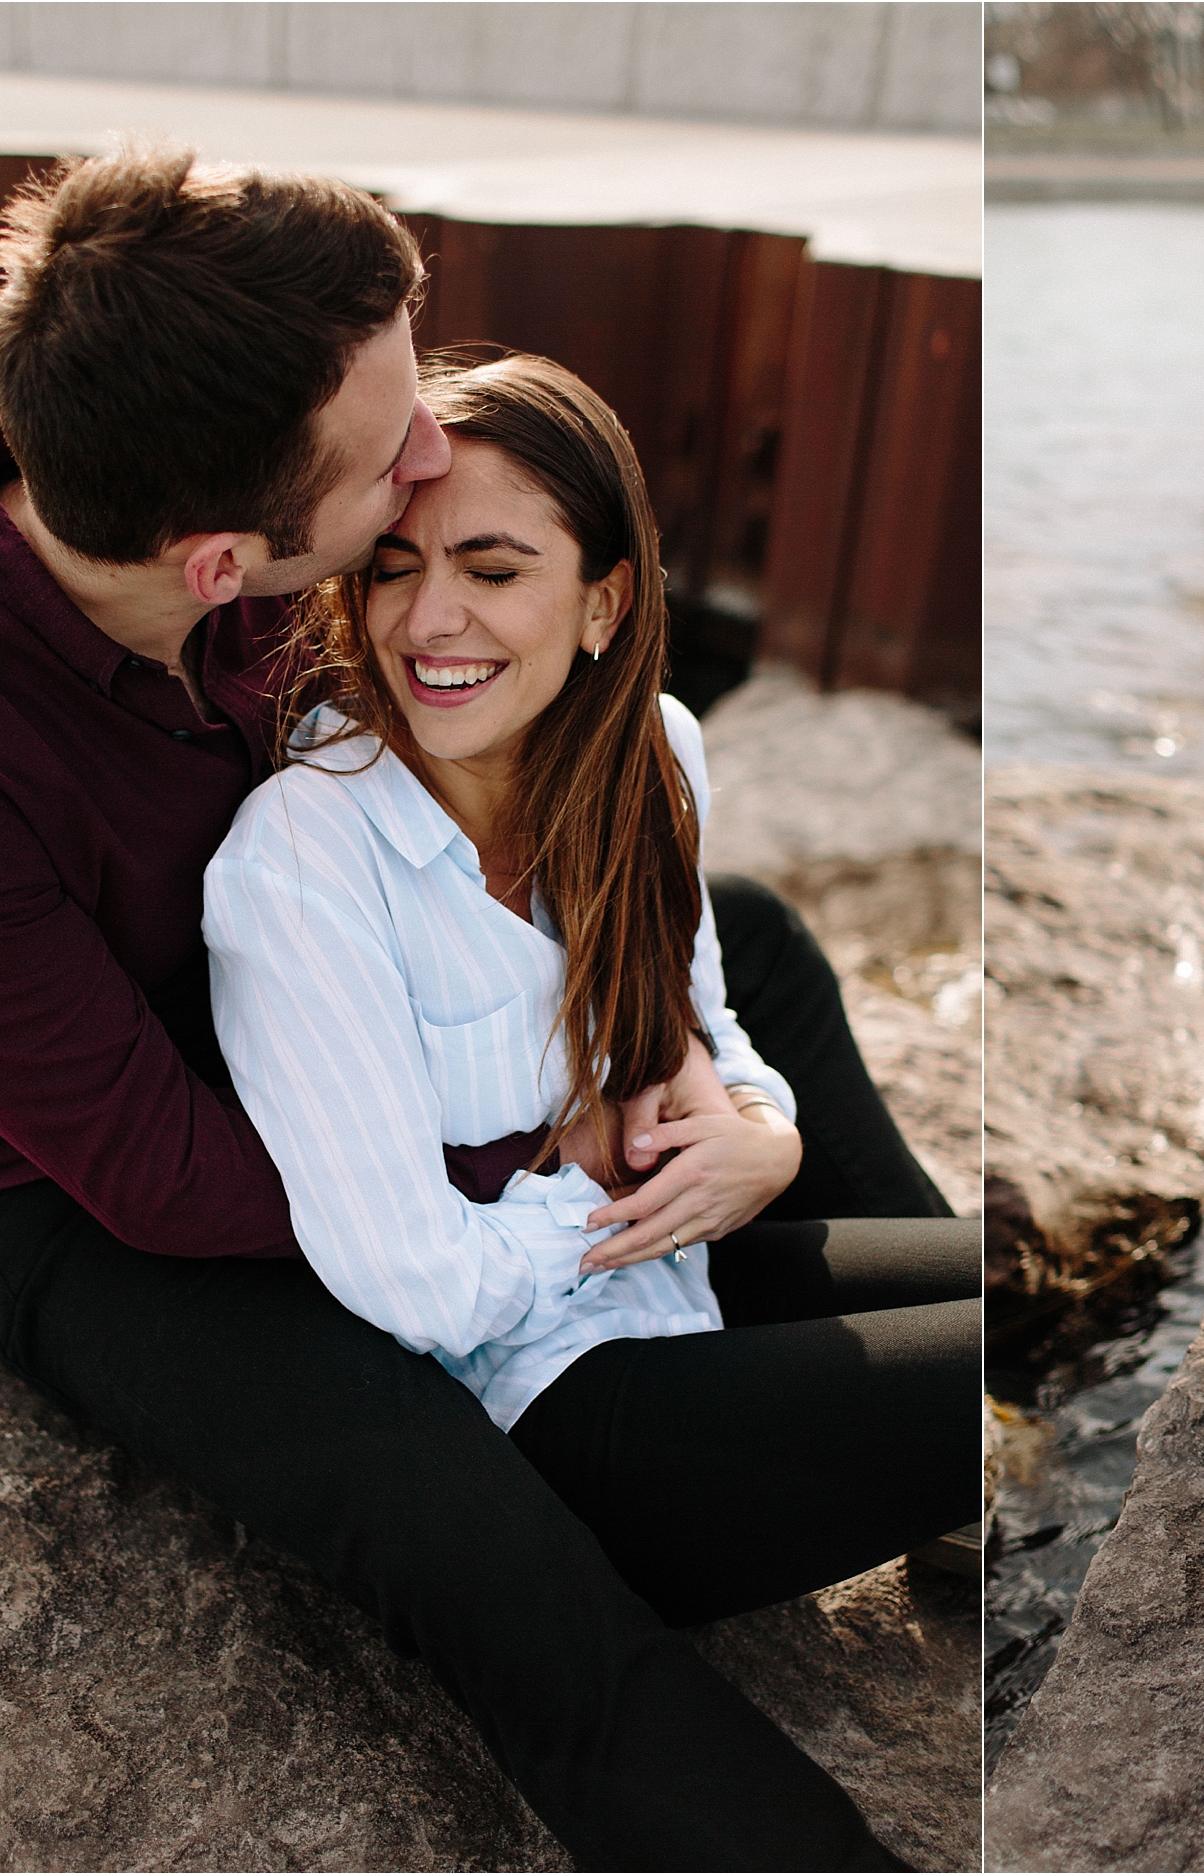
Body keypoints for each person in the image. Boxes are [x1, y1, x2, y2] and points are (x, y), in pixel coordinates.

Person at [0, 146, 967, 1871]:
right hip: (92, 1194)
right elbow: (164, 1175)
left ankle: (868, 1394)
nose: (431, 451)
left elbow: (503, 765)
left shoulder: (252, 481)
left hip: (380, 1017)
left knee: (753, 933)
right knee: (460, 1531)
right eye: (391, 458)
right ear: (228, 566)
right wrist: (530, 1144)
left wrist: (714, 1096)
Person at [201, 343, 974, 1707]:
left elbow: (704, 1016)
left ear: (604, 601)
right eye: (393, 566)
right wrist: (599, 1188)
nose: (431, 617)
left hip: (674, 1292)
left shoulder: (653, 753)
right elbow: (419, 1286)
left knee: (993, 1283)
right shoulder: (305, 856)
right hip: (540, 1427)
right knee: (977, 1376)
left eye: (494, 572)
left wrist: (767, 1139)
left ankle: (960, 1517)